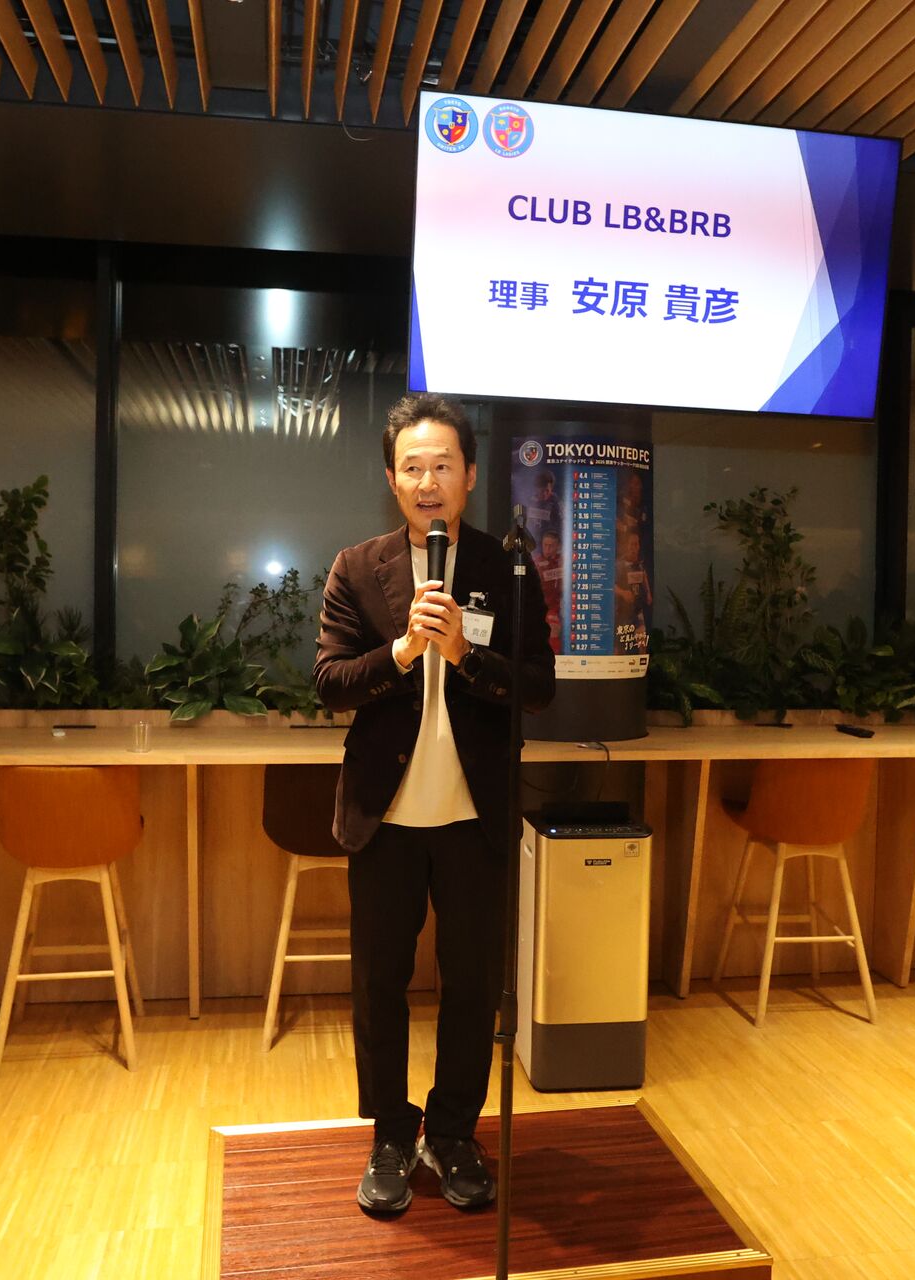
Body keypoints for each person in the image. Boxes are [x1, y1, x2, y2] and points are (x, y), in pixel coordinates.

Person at [314, 393, 555, 1215]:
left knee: (472, 986)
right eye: (412, 467)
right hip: (383, 819)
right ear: (391, 479)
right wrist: (403, 650)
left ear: (470, 476)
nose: (428, 482)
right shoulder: (358, 567)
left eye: (442, 465)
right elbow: (329, 683)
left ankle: (452, 1134)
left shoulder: (505, 569)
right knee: (379, 985)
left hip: (473, 818)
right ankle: (390, 1134)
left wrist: (464, 654)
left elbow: (539, 688)